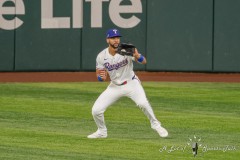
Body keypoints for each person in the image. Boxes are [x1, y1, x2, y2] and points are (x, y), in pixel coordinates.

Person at [87, 28, 168, 138]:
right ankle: (102, 131)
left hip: (131, 83)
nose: (116, 40)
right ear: (107, 40)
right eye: (113, 38)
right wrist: (101, 77)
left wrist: (138, 56)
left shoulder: (126, 50)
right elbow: (99, 74)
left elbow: (144, 61)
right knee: (96, 110)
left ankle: (156, 125)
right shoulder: (101, 56)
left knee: (143, 103)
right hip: (114, 86)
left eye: (117, 38)